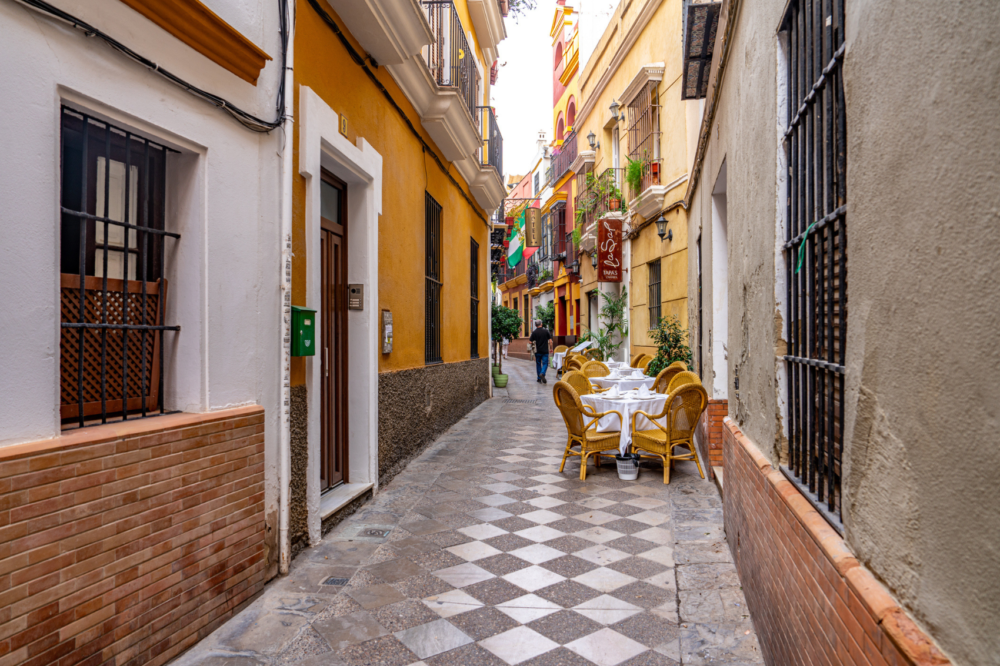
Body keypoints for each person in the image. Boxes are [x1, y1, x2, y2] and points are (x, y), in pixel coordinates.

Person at [528, 319, 553, 384]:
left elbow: (530, 342)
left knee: (538, 364)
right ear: (541, 324)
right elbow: (550, 341)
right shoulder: (546, 331)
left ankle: (539, 379)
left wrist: (534, 342)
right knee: (545, 363)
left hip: (537, 351)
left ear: (535, 325)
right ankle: (542, 373)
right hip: (545, 351)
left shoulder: (534, 332)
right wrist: (551, 348)